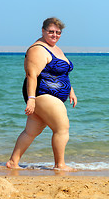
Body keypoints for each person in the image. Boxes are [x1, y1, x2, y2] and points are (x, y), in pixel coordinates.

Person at [6, 17, 77, 171]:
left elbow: (62, 73)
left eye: (58, 32)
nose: (55, 35)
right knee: (62, 128)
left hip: (51, 96)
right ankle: (60, 165)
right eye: (51, 32)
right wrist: (31, 99)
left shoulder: (55, 48)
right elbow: (31, 75)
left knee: (32, 131)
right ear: (43, 31)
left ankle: (13, 162)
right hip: (42, 94)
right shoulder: (38, 49)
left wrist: (71, 91)